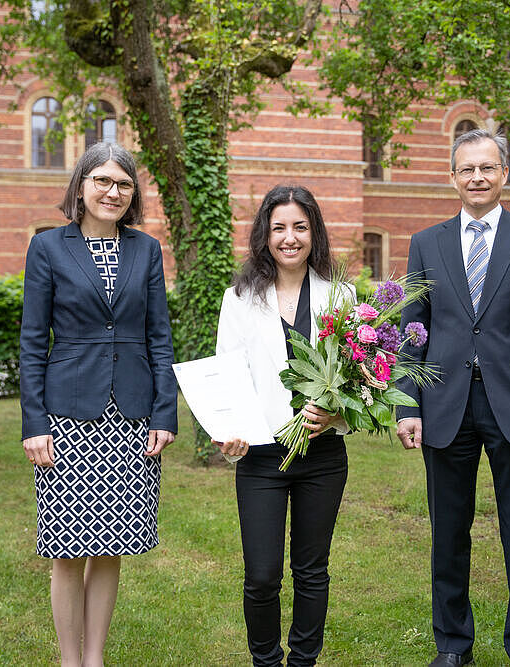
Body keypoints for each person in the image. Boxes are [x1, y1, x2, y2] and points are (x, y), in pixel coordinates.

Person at [396, 129, 510, 667]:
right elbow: (412, 329)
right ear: (452, 177)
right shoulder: (426, 242)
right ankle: (452, 646)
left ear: (504, 174)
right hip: (444, 405)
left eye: (488, 168)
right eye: (467, 169)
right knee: (447, 534)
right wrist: (408, 404)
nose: (477, 177)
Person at [19, 142, 178, 667]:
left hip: (130, 416)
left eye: (124, 184)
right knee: (67, 552)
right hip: (65, 414)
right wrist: (34, 422)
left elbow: (159, 337)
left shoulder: (146, 249)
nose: (113, 192)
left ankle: (95, 659)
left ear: (133, 194)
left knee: (111, 548)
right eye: (102, 181)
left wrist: (163, 412)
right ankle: (70, 661)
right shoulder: (47, 247)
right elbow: (32, 340)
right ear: (82, 185)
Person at [214, 185, 354, 666]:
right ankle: (266, 661)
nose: (289, 238)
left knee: (312, 570)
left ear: (313, 232)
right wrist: (227, 429)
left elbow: (362, 384)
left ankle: (303, 662)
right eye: (279, 228)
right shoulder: (238, 298)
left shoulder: (342, 295)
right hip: (260, 457)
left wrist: (338, 415)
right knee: (261, 574)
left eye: (300, 226)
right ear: (264, 235)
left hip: (323, 455)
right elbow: (227, 377)